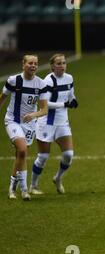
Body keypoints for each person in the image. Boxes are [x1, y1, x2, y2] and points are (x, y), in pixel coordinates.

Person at [0, 54, 49, 200]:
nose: (33, 65)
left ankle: (11, 189)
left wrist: (33, 115)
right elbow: (2, 98)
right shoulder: (14, 80)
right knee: (22, 150)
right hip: (12, 121)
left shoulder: (41, 84)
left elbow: (44, 109)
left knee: (20, 155)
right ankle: (24, 190)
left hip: (30, 124)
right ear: (23, 65)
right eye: (30, 63)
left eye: (35, 63)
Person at [29, 54, 78, 195]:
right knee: (43, 156)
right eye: (58, 63)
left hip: (62, 122)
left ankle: (58, 178)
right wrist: (64, 104)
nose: (62, 65)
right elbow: (44, 104)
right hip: (47, 122)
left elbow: (70, 95)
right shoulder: (48, 81)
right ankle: (33, 185)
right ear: (52, 66)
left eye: (64, 63)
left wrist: (73, 100)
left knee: (68, 154)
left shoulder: (69, 78)